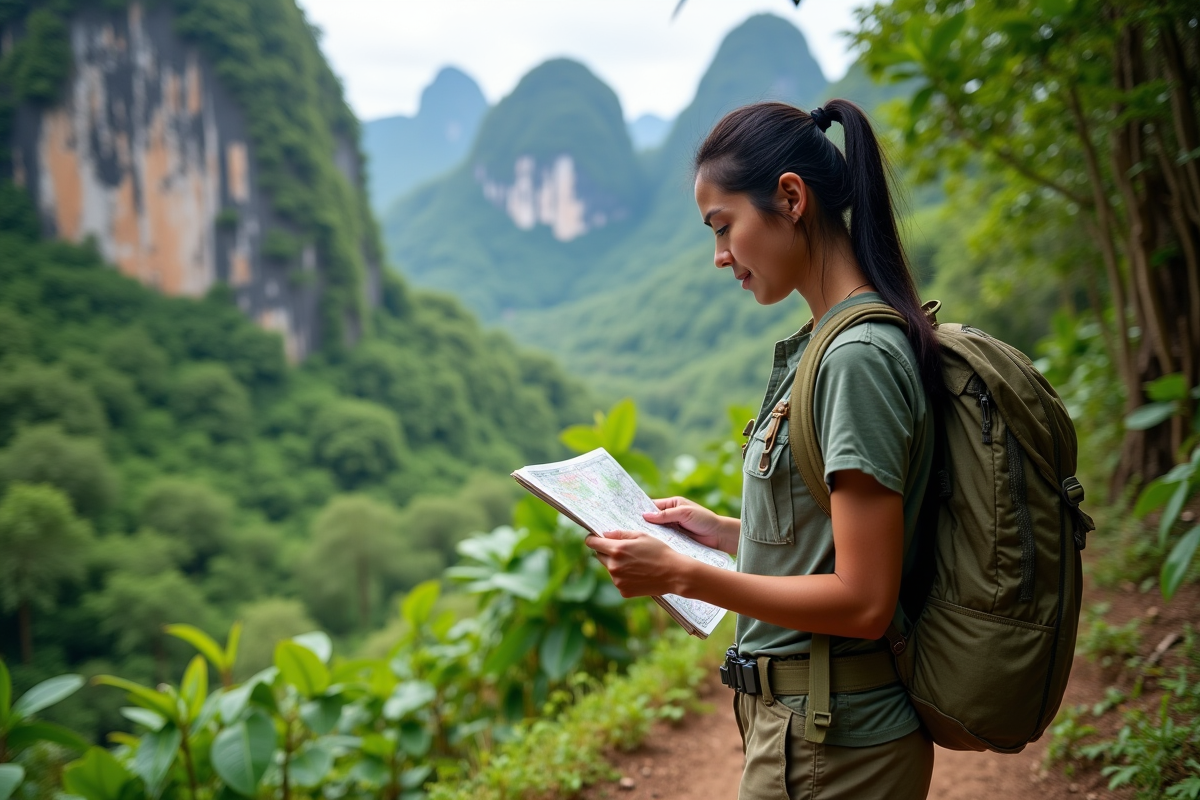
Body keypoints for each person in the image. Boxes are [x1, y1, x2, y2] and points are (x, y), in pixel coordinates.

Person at [584, 99, 941, 800]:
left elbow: (865, 599)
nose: (720, 258)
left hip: (833, 747)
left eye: (724, 228)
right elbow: (842, 542)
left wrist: (684, 577)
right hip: (811, 732)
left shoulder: (856, 358)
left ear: (790, 197)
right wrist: (723, 536)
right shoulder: (829, 344)